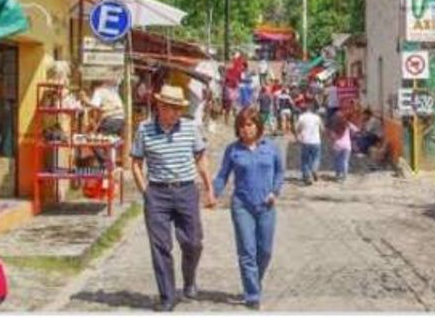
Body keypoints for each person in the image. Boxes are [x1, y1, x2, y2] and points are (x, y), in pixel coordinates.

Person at [131, 85, 216, 312]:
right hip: (157, 193)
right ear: (160, 107)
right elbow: (136, 163)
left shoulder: (190, 128)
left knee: (193, 242)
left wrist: (209, 189)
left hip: (186, 190)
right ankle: (167, 296)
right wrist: (146, 191)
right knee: (160, 246)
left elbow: (201, 158)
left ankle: (189, 280)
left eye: (179, 109)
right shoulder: (145, 129)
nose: (175, 113)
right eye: (171, 108)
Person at [211, 107, 284, 310]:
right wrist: (213, 194)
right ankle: (252, 294)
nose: (246, 129)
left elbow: (279, 172)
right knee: (247, 251)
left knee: (265, 251)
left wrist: (275, 191)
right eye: (242, 126)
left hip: (266, 205)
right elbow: (222, 175)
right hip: (242, 205)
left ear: (258, 126)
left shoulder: (271, 147)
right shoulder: (233, 150)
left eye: (250, 125)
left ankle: (254, 281)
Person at [81, 79, 125, 164]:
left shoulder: (98, 91)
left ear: (93, 88)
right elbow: (103, 114)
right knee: (108, 142)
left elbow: (95, 106)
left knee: (94, 142)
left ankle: (105, 163)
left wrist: (85, 100)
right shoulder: (111, 90)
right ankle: (110, 163)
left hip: (112, 119)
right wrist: (96, 128)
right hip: (120, 120)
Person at [294, 102, 325, 184]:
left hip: (305, 141)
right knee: (316, 157)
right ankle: (314, 169)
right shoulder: (317, 117)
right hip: (316, 141)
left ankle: (307, 176)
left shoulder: (302, 117)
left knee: (305, 160)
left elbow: (297, 128)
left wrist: (298, 136)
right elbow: (322, 129)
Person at [327, 111, 359, 182]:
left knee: (337, 161)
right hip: (347, 145)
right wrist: (352, 135)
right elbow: (357, 130)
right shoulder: (347, 124)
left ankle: (338, 175)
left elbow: (331, 136)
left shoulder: (333, 125)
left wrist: (331, 141)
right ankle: (344, 177)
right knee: (345, 161)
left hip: (337, 145)